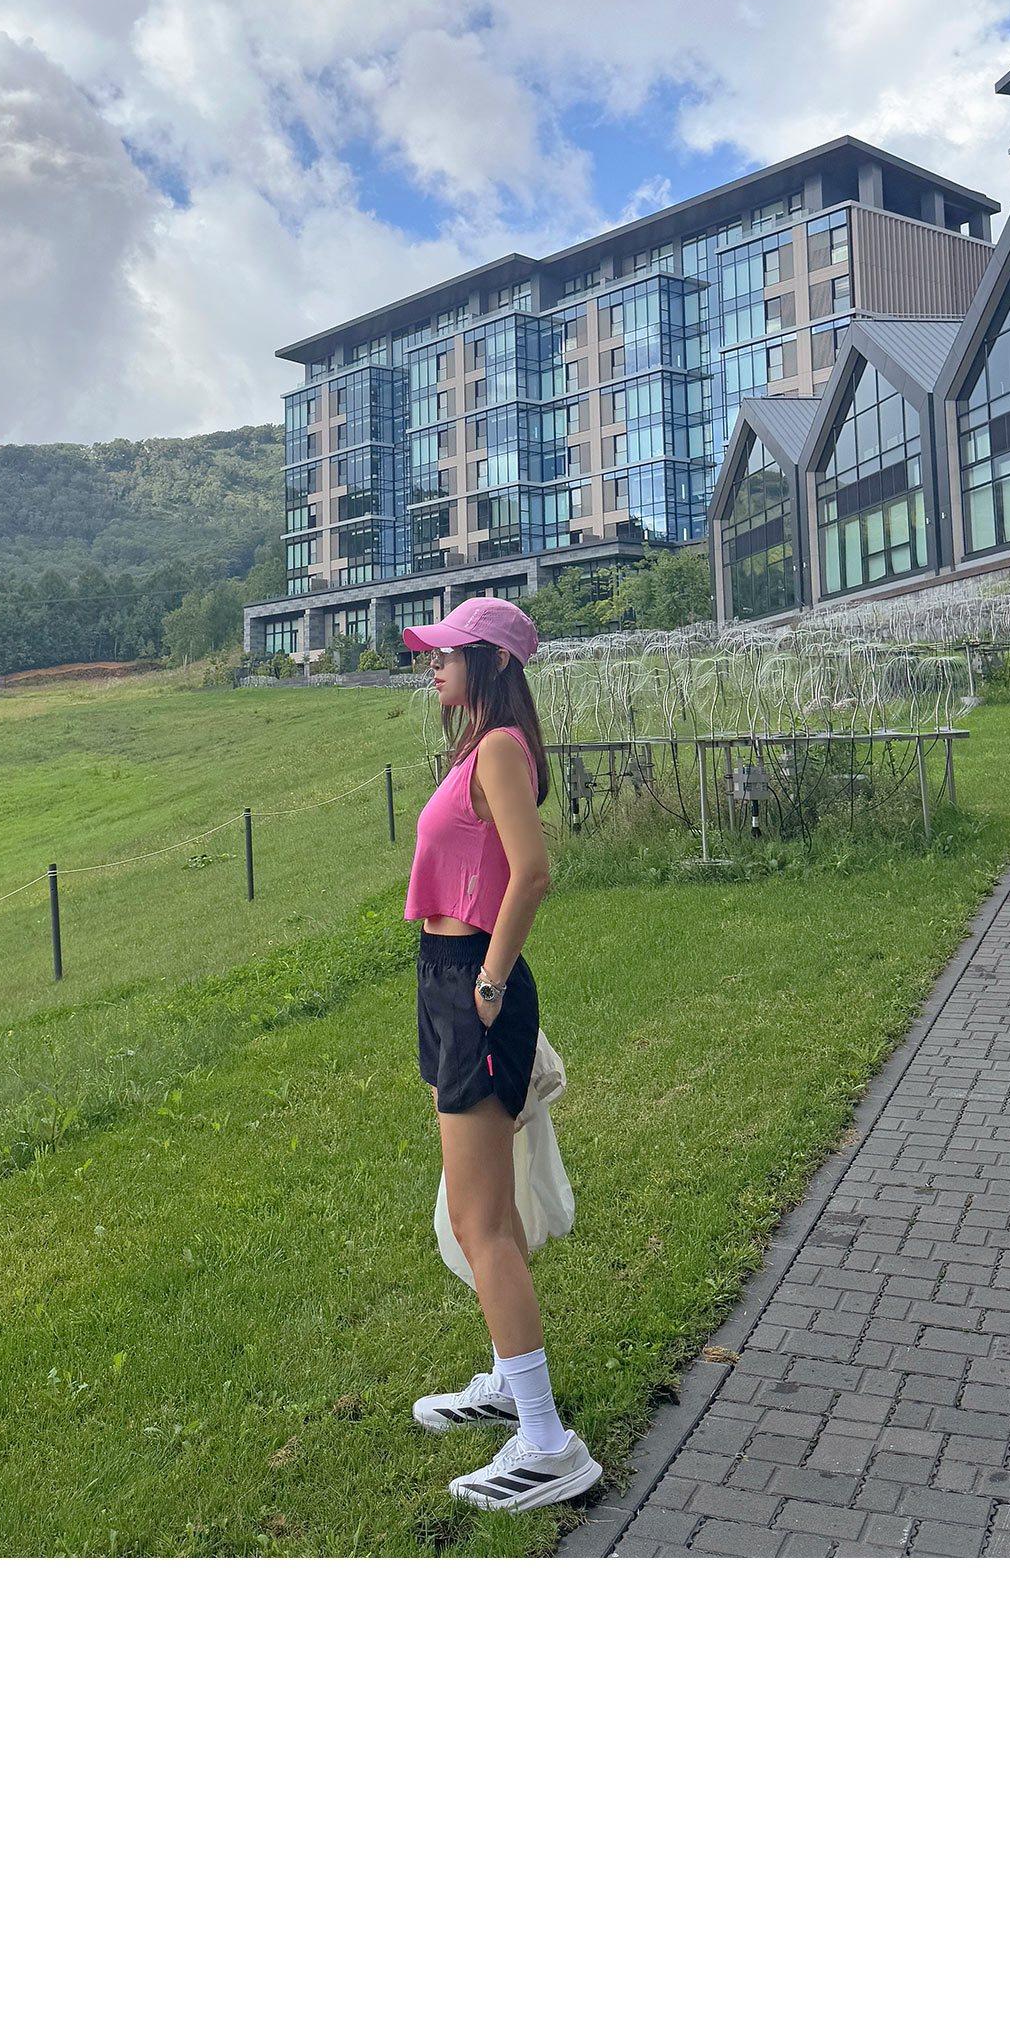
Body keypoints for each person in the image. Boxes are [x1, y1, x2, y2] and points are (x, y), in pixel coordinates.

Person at [402, 592, 602, 1517]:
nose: (433, 663)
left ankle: (548, 1444)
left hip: (473, 987)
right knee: (490, 1210)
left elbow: (534, 873)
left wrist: (486, 986)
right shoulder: (477, 749)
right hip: (448, 983)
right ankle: (507, 1384)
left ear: (491, 662)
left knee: (481, 1221)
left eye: (447, 652)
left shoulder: (498, 751)